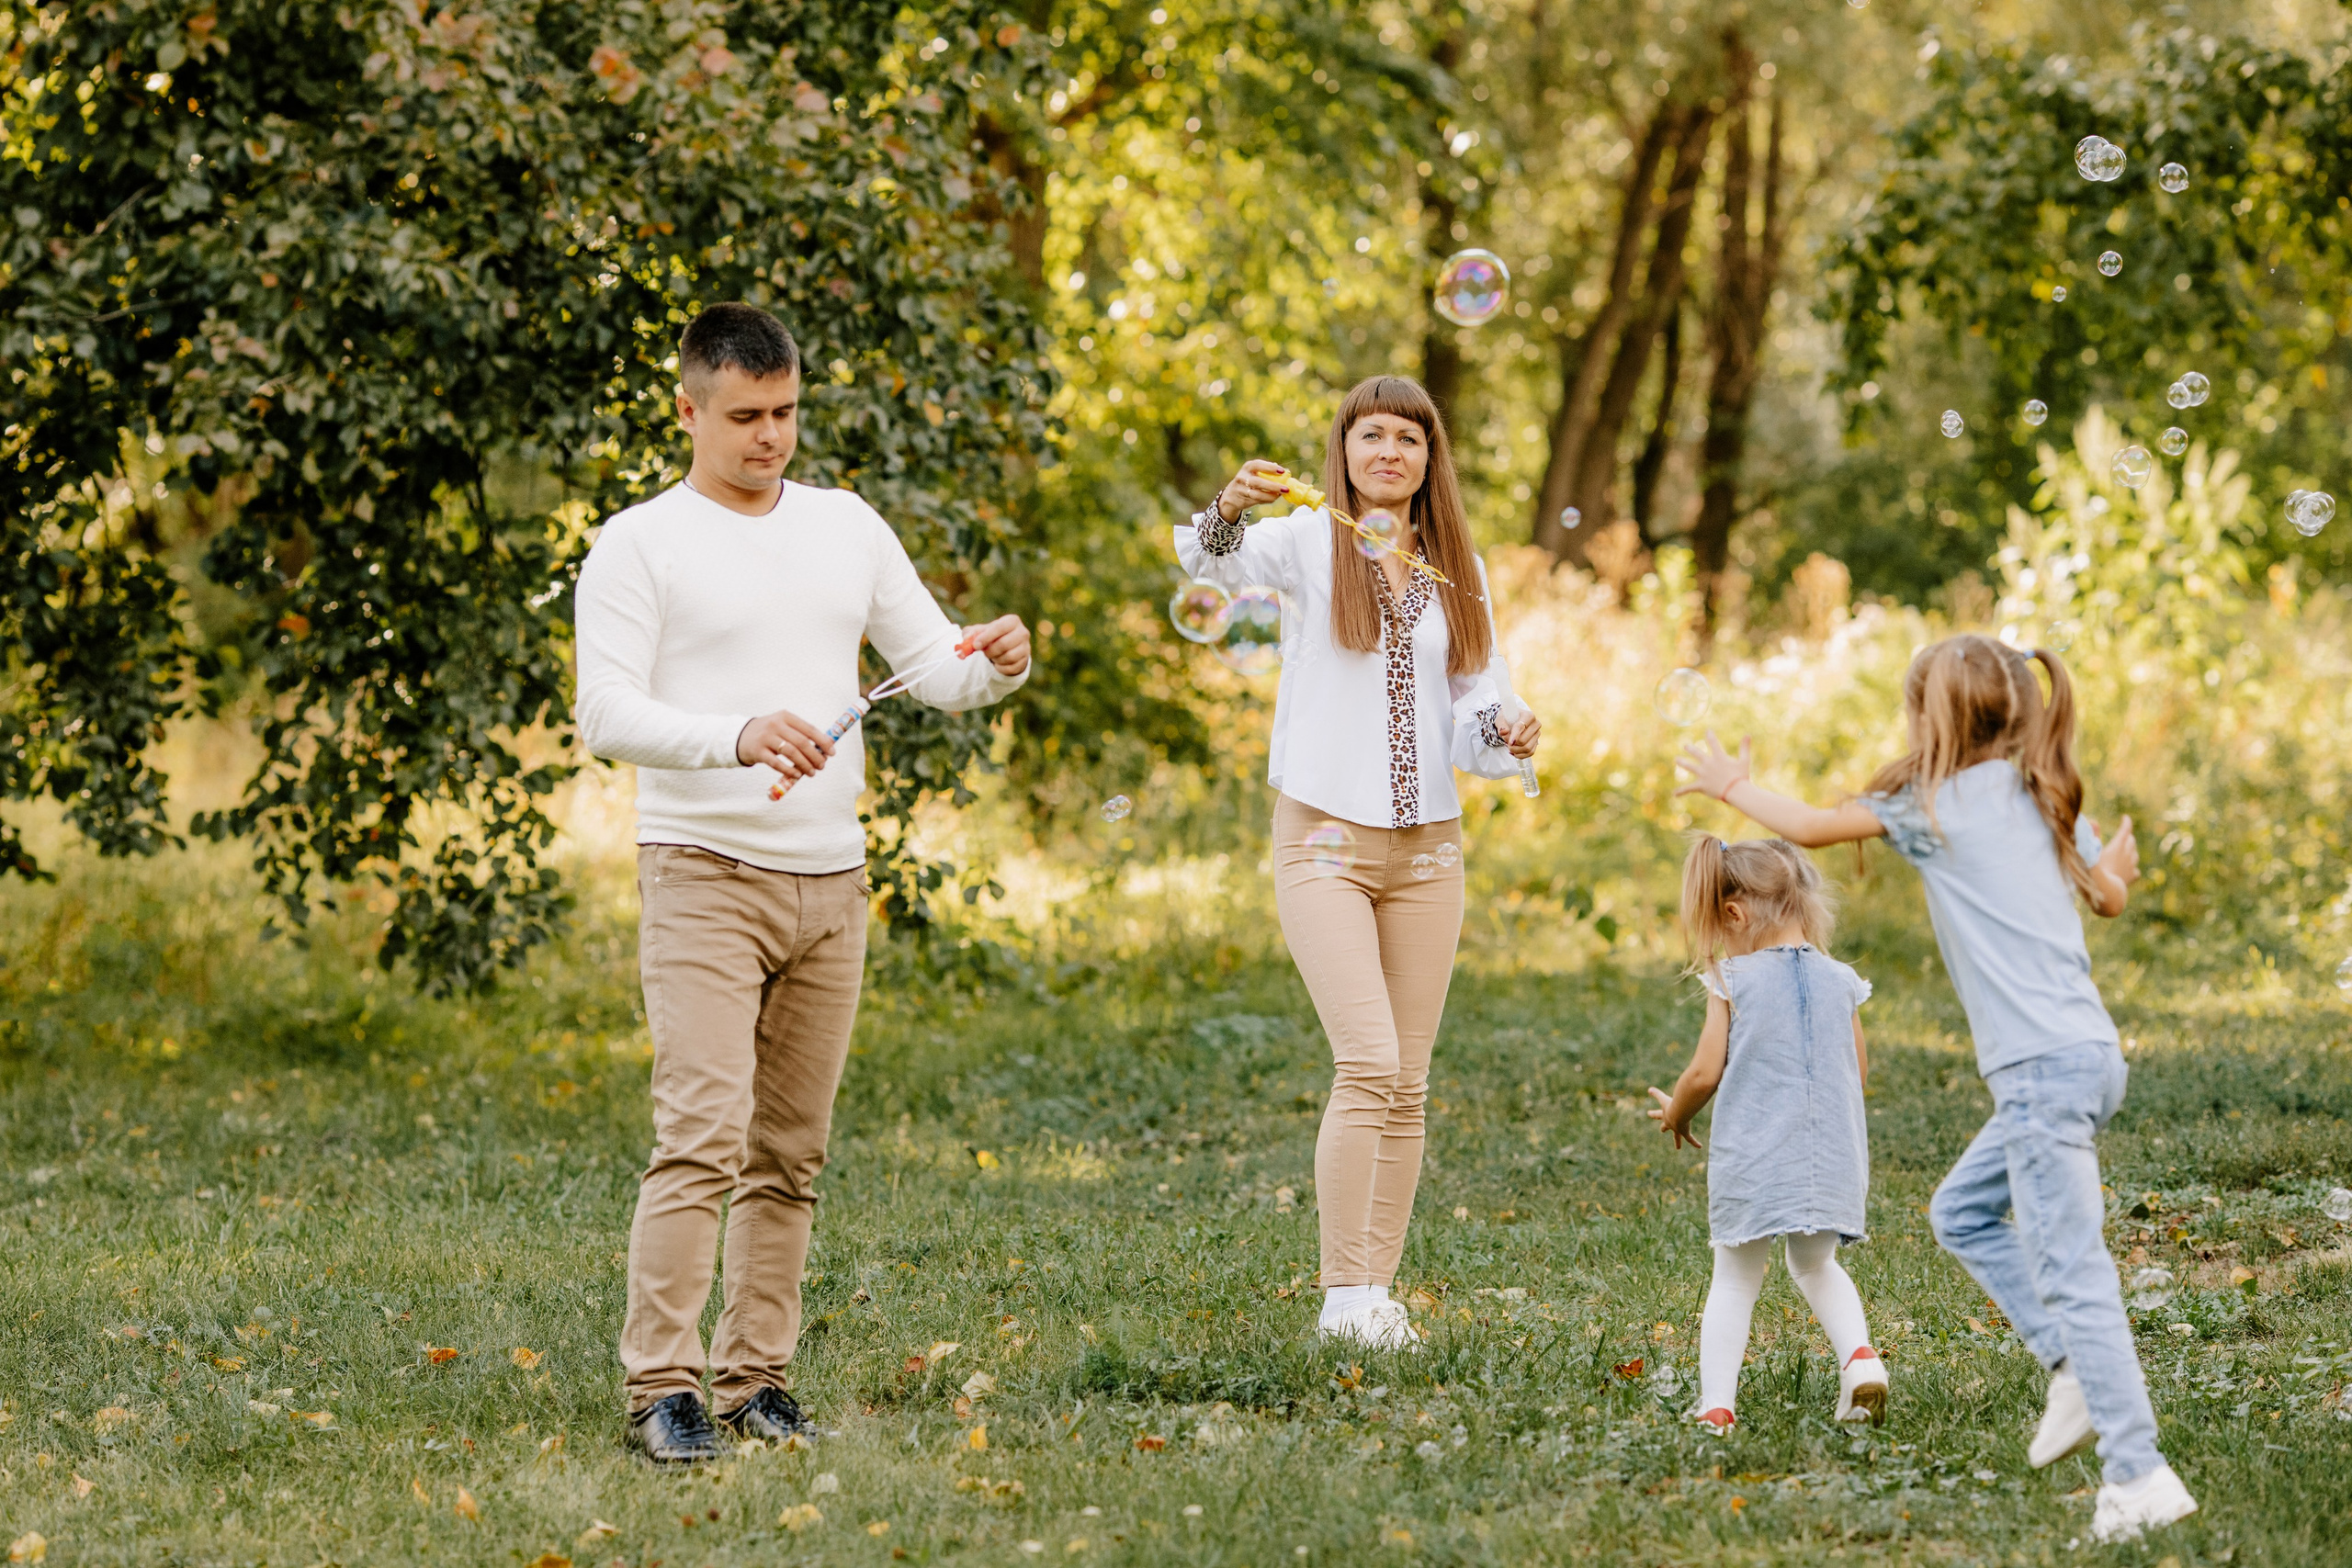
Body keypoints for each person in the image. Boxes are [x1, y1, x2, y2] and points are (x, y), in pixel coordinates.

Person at [573, 302, 1033, 1465]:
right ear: (689, 411)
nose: (769, 437)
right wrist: (736, 734)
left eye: (784, 413)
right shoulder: (640, 542)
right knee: (701, 1137)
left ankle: (755, 1382)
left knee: (790, 1152)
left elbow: (934, 673)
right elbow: (604, 712)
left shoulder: (847, 526)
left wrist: (996, 667)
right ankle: (660, 1392)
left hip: (832, 883)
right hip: (703, 874)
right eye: (744, 417)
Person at [1675, 633, 2197, 1544]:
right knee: (1959, 1213)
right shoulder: (2046, 797)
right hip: (2087, 1057)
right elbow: (2106, 897)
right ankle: (2069, 1367)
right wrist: (2116, 866)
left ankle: (2138, 1470)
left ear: (1928, 716)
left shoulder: (1928, 805)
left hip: (2038, 1071)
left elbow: (1803, 826)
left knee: (2077, 1277)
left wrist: (1728, 786)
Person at [1176, 375, 1539, 1350]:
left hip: (1428, 850)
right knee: (1368, 1061)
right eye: (1370, 435)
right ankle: (1342, 1296)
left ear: (1430, 460)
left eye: (1408, 440)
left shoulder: (1455, 564)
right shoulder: (1303, 543)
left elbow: (1473, 698)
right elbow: (1209, 572)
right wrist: (1227, 508)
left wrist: (1505, 723)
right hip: (1321, 839)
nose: (1389, 452)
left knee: (1409, 1081)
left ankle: (1376, 1294)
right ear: (1342, 449)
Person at [1646, 836, 1886, 1433]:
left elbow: (1704, 1071)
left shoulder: (1733, 978)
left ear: (1735, 913)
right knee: (1815, 1264)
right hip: (1830, 1156)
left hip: (1754, 1157)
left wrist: (1677, 1112)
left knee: (1734, 1277)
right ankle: (1860, 1358)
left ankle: (1717, 1409)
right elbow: (1857, 1073)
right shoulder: (1842, 980)